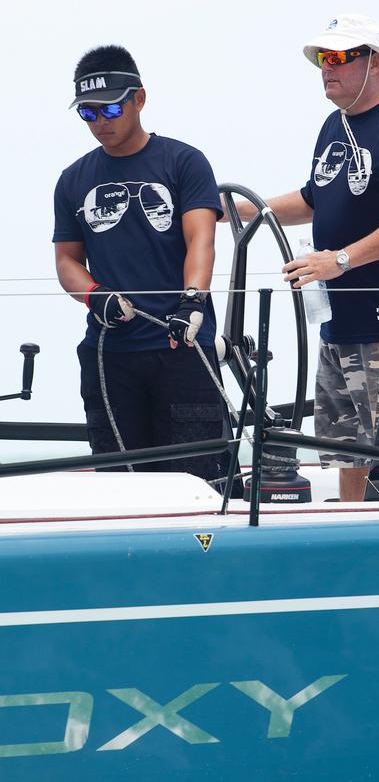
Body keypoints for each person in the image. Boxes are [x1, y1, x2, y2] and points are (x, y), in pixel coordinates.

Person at [228, 13, 379, 501]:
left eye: (337, 58)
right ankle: (354, 548)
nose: (325, 69)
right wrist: (238, 211)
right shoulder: (334, 125)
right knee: (346, 453)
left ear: (375, 62)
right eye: (321, 59)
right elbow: (314, 199)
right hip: (339, 325)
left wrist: (341, 260)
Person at [53, 44, 234, 485]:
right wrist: (95, 297)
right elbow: (66, 261)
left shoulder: (183, 161)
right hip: (109, 355)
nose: (100, 123)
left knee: (201, 485)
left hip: (184, 347)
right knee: (122, 486)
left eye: (110, 108)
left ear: (139, 99)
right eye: (88, 113)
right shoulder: (73, 178)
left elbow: (201, 239)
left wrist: (193, 301)